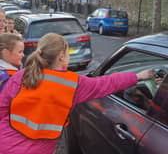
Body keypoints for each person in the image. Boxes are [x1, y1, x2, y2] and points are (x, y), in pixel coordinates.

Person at [0, 33, 154, 153]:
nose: (68, 56)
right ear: (61, 56)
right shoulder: (73, 83)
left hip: (4, 141)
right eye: (68, 53)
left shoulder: (23, 74)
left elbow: (2, 106)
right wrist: (138, 76)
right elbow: (107, 83)